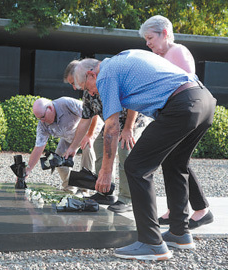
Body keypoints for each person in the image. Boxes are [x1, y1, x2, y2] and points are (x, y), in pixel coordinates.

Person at [68, 51, 216, 260]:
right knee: (175, 164)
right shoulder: (122, 60)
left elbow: (111, 128)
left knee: (136, 167)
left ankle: (151, 243)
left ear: (92, 74)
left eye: (86, 88)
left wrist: (105, 171)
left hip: (181, 104)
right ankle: (179, 233)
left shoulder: (106, 75)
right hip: (204, 100)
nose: (91, 94)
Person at [139, 15, 214, 229]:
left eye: (150, 37)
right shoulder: (167, 55)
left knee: (175, 161)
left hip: (188, 111)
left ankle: (196, 210)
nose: (147, 43)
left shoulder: (177, 51)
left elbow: (184, 86)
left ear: (164, 33)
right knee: (175, 160)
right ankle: (183, 210)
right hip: (187, 111)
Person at [63, 60, 151, 212]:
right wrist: (73, 147)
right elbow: (85, 120)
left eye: (75, 83)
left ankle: (127, 198)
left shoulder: (110, 78)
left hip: (133, 119)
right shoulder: (88, 91)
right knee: (98, 145)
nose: (75, 87)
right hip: (112, 122)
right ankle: (105, 191)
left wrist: (129, 129)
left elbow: (133, 103)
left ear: (89, 75)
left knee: (125, 150)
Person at [25, 97, 101, 197]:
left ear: (50, 108)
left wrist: (89, 135)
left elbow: (93, 113)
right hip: (69, 136)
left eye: (43, 117)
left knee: (87, 149)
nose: (42, 121)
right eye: (39, 118)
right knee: (58, 159)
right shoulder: (42, 124)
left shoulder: (66, 103)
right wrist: (27, 170)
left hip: (90, 130)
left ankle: (84, 190)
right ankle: (70, 188)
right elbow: (39, 147)